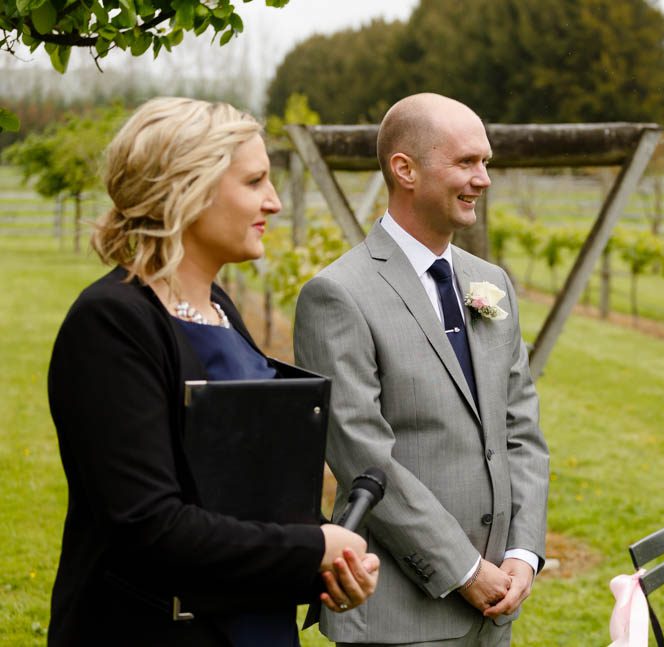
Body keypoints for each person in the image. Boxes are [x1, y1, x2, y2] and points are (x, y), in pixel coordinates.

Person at [46, 97, 379, 647]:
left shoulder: (220, 307)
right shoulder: (112, 323)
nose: (274, 201)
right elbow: (146, 525)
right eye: (254, 181)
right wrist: (313, 548)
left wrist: (325, 564)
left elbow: (242, 491)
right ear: (187, 188)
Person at [294, 92, 549, 647]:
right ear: (404, 170)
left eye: (485, 162)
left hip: (496, 609)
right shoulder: (337, 295)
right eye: (466, 162)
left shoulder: (491, 283)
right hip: (398, 615)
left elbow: (521, 428)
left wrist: (523, 552)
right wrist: (465, 571)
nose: (483, 179)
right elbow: (362, 457)